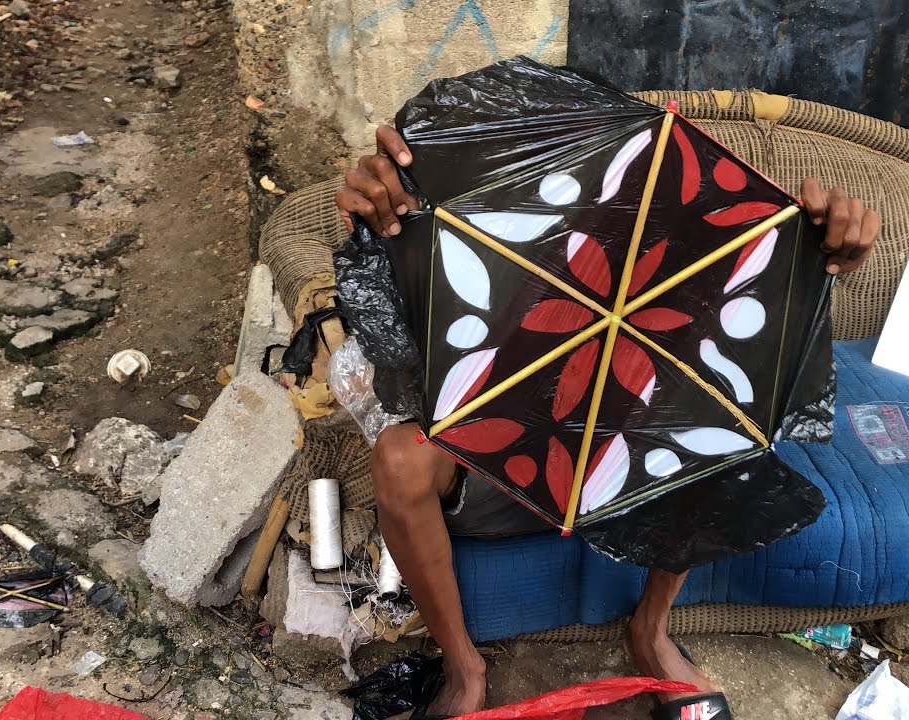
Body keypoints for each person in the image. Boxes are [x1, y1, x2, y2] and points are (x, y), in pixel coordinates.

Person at [335, 123, 880, 718]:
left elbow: (759, 304)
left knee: (720, 420)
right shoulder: (484, 218)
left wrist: (815, 247)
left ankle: (650, 631)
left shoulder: (679, 255)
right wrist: (381, 227)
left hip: (630, 460)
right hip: (496, 452)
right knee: (399, 458)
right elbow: (404, 317)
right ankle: (466, 667)